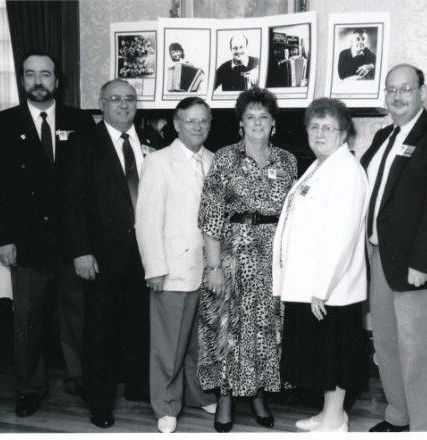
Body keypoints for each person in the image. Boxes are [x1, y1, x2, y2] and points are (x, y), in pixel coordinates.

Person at [0, 50, 95, 418]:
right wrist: (2, 238)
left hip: (72, 244)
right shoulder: (1, 125)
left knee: (76, 316)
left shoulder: (80, 122)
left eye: (45, 74)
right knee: (28, 320)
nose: (38, 81)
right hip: (26, 243)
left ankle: (81, 379)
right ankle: (30, 387)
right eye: (30, 74)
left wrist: (88, 244)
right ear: (21, 80)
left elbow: (91, 187)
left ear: (57, 81)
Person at [361, 64, 427, 431]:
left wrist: (422, 261)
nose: (397, 96)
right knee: (387, 348)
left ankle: (424, 430)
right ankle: (398, 416)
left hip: (421, 268)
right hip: (381, 261)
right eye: (390, 90)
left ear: (422, 93)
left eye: (406, 88)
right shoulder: (383, 138)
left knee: (421, 357)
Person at [62, 79, 162, 428]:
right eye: (115, 99)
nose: (123, 105)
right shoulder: (82, 142)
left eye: (130, 99)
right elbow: (70, 202)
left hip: (144, 253)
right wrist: (81, 251)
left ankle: (137, 388)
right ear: (101, 103)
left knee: (139, 324)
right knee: (99, 331)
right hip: (101, 255)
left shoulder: (152, 141)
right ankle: (100, 401)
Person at [197, 87, 297, 432]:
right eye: (250, 117)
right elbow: (210, 214)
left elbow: (294, 214)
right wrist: (213, 267)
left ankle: (257, 394)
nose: (257, 123)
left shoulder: (287, 161)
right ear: (240, 123)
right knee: (228, 328)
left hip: (272, 257)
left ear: (273, 124)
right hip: (232, 254)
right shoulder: (225, 158)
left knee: (264, 328)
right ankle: (225, 396)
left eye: (264, 117)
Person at [273, 98, 368, 432]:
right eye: (314, 126)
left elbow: (341, 236)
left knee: (334, 354)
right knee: (323, 354)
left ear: (343, 133)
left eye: (328, 127)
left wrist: (321, 289)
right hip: (313, 284)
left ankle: (334, 421)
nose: (319, 133)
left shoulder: (346, 170)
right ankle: (331, 414)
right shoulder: (320, 166)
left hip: (332, 288)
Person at [135, 97, 217, 433]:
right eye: (190, 121)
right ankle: (166, 406)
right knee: (168, 345)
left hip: (209, 268)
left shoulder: (215, 160)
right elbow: (146, 218)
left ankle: (197, 394)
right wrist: (154, 266)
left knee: (200, 340)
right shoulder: (158, 162)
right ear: (177, 123)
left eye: (204, 121)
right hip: (172, 268)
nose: (197, 127)